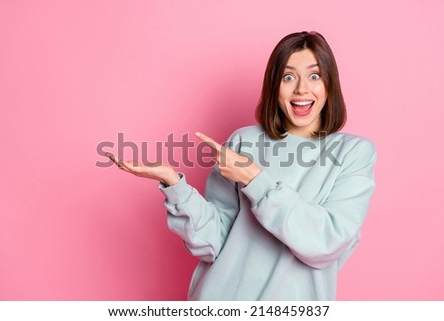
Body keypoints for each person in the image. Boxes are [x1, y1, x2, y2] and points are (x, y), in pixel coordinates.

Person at [108, 31, 376, 300]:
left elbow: (325, 243)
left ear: (330, 83)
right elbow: (213, 241)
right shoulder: (243, 141)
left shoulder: (353, 152)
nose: (302, 89)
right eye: (288, 76)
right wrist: (175, 185)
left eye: (314, 76)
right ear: (274, 85)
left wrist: (254, 179)